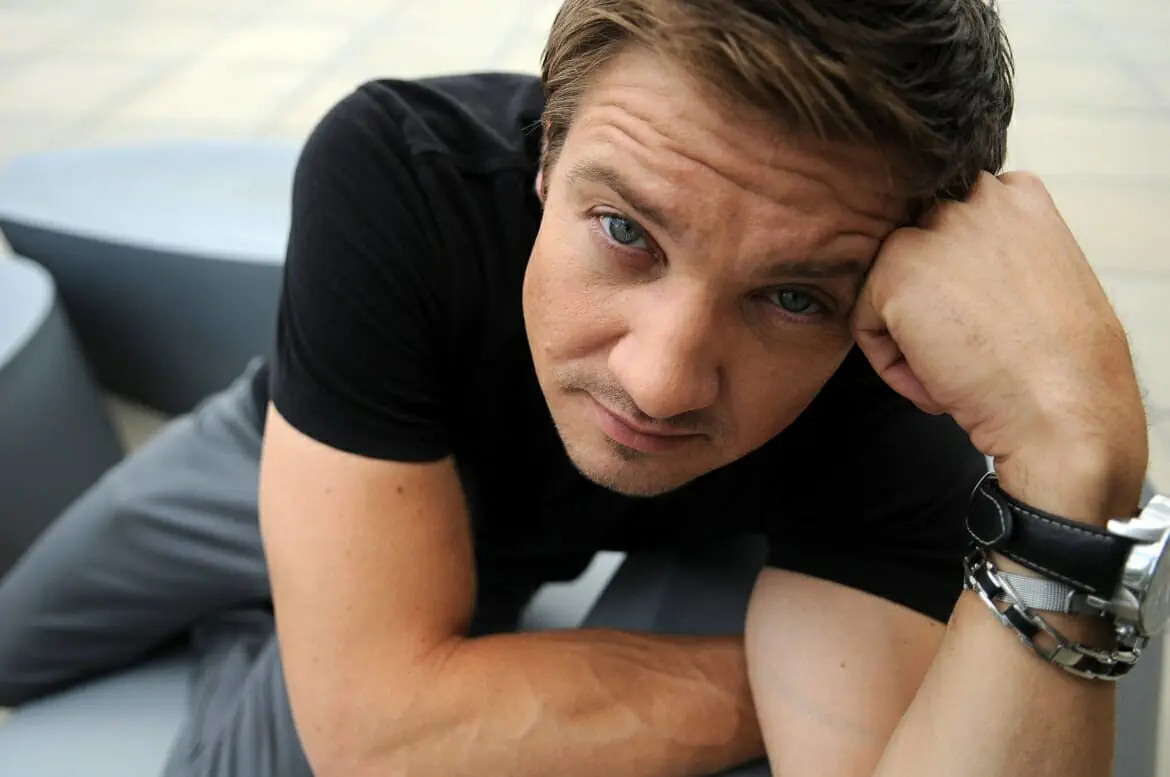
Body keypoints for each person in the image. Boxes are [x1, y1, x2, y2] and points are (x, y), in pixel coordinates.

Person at [0, 1, 1155, 776]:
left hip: (488, 553)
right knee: (15, 642)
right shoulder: (403, 170)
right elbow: (383, 724)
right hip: (302, 452)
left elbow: (373, 742)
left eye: (792, 296)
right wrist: (795, 692)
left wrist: (1071, 473)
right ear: (546, 150)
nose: (660, 381)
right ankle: (290, 604)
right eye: (626, 230)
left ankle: (266, 628)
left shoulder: (896, 384)